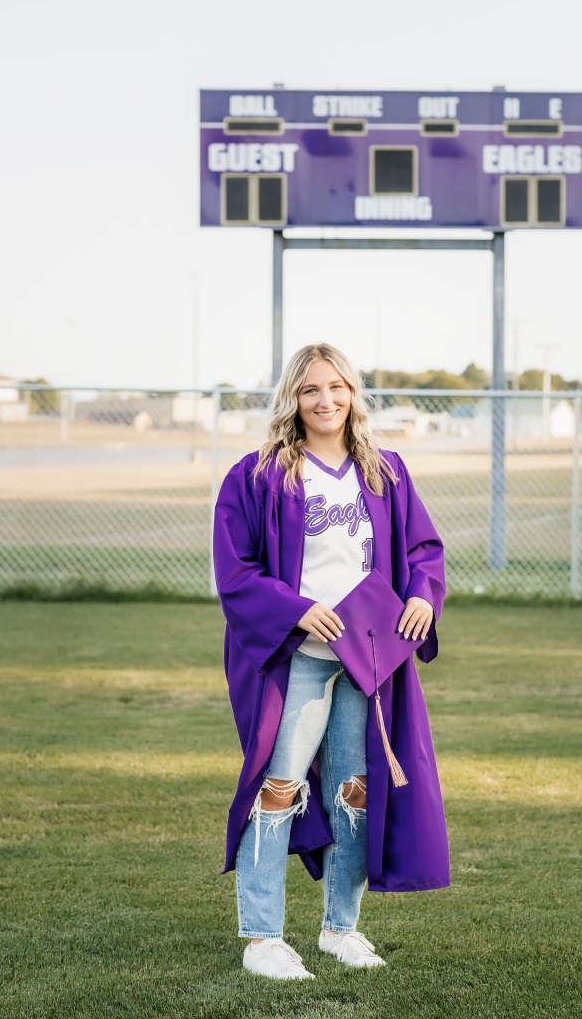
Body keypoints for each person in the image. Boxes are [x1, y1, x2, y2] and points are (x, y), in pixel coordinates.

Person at [213, 343, 449, 980]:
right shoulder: (260, 475)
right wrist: (293, 609)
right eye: (311, 389)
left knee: (356, 791)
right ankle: (262, 937)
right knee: (277, 787)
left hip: (367, 660)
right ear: (292, 397)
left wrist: (424, 598)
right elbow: (236, 572)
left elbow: (424, 550)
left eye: (338, 386)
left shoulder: (384, 471)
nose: (326, 401)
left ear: (354, 392)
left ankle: (340, 927)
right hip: (300, 658)